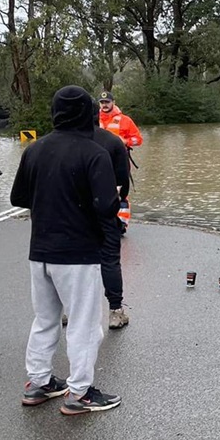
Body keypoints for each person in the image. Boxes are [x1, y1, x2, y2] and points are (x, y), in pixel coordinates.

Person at [11, 86, 122, 415]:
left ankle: (39, 383)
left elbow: (18, 198)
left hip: (40, 251)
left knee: (44, 320)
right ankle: (81, 393)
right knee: (84, 326)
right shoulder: (94, 153)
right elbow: (106, 206)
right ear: (88, 113)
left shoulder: (34, 150)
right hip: (78, 253)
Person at [92, 125, 130, 330]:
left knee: (71, 262)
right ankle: (115, 311)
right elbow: (123, 183)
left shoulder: (46, 145)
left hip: (68, 215)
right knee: (109, 260)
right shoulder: (112, 142)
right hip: (103, 211)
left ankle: (66, 310)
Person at [97, 91, 142, 231]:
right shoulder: (93, 119)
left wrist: (126, 141)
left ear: (113, 103)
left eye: (107, 102)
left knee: (122, 192)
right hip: (98, 161)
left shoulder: (125, 120)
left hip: (119, 162)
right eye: (102, 103)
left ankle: (122, 222)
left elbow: (138, 140)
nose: (104, 105)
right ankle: (100, 222)